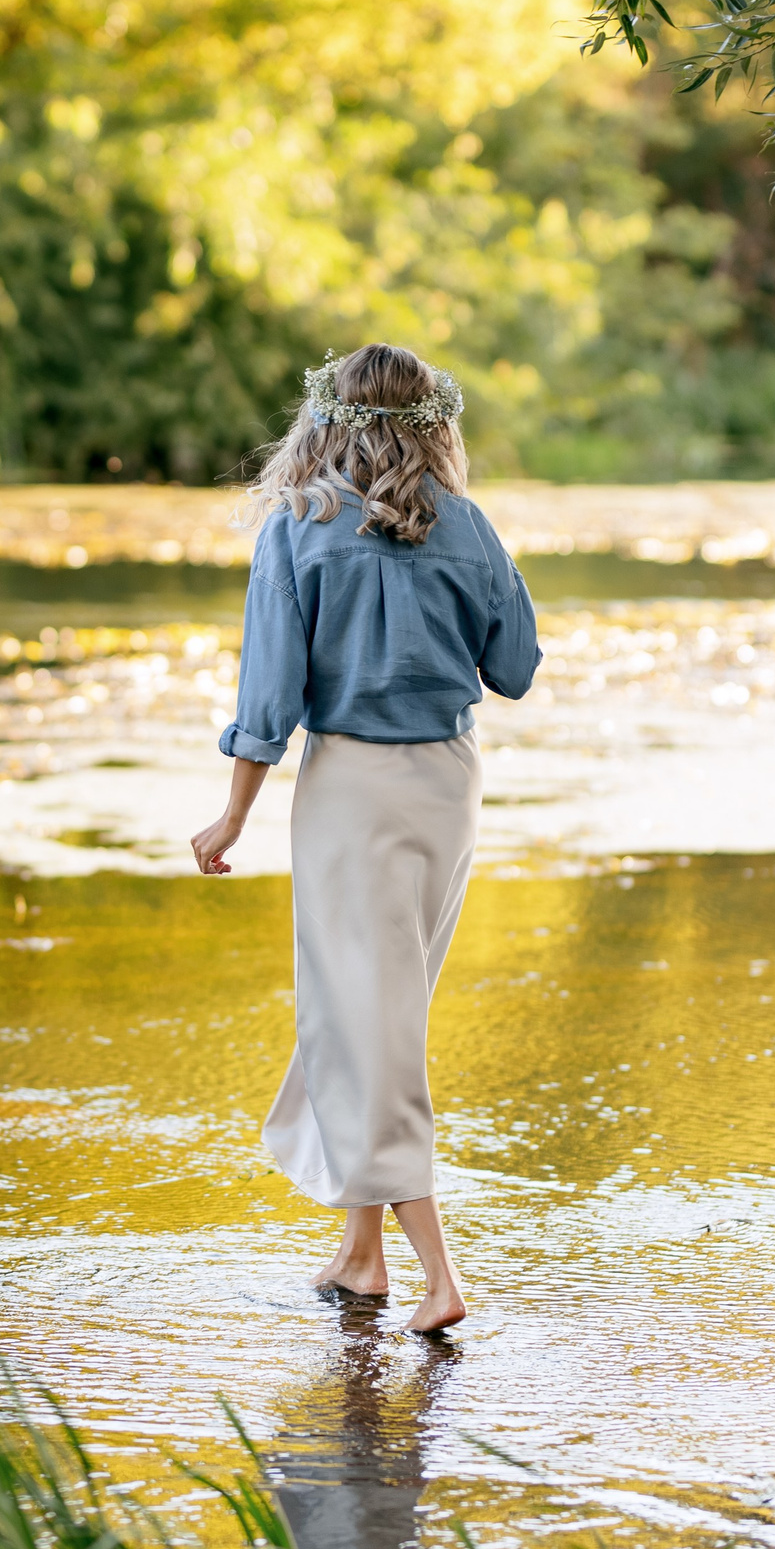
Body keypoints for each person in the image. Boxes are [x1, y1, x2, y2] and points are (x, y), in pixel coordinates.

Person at [190, 342, 542, 1335]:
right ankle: (360, 1254)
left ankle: (438, 1274)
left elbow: (269, 698)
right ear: (434, 420)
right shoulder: (468, 527)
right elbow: (513, 667)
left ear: (323, 421)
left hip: (350, 791)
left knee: (368, 1022)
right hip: (445, 788)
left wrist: (233, 814)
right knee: (379, 1015)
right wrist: (479, 565)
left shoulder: (296, 529)